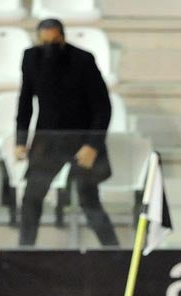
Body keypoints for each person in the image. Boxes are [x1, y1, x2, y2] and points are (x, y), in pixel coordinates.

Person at [16, 18, 119, 247]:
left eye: (54, 42)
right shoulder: (31, 59)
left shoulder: (82, 60)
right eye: (45, 43)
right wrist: (21, 139)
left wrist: (93, 145)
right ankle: (24, 250)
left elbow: (102, 107)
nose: (50, 48)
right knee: (32, 197)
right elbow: (25, 101)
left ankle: (113, 252)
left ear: (62, 38)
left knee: (88, 199)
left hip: (80, 141)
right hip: (47, 141)